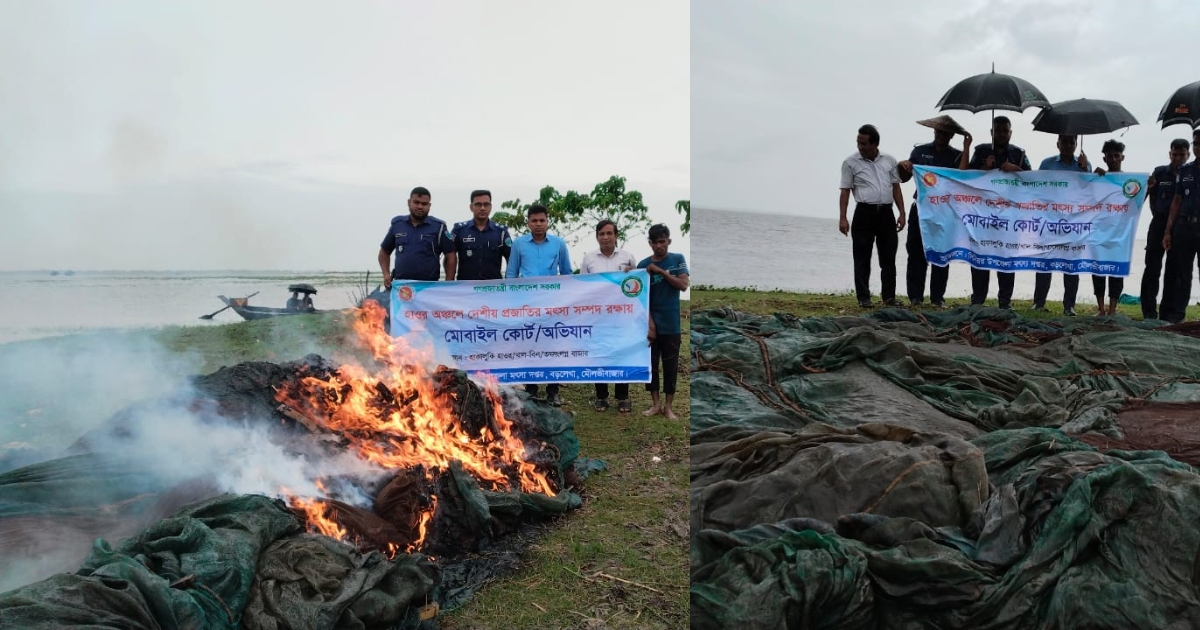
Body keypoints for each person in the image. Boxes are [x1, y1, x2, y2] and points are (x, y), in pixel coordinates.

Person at [897, 115, 971, 308]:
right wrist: (903, 165)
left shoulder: (956, 155)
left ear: (952, 136)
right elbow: (904, 177)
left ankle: (937, 298)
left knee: (942, 253)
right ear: (934, 131)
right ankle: (915, 297)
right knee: (915, 253)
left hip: (945, 211)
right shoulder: (920, 151)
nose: (942, 135)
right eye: (940, 131)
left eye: (946, 133)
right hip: (920, 208)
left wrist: (967, 148)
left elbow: (962, 178)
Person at [507, 204, 573, 406]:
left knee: (552, 346)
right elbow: (511, 274)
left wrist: (566, 300)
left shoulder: (559, 244)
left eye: (542, 220)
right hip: (526, 305)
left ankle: (553, 391)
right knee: (529, 346)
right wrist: (513, 303)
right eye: (534, 220)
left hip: (552, 305)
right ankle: (531, 389)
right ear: (528, 223)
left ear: (547, 222)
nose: (538, 224)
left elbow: (567, 273)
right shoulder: (518, 244)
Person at [966, 116, 1031, 309]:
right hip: (983, 215)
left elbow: (1032, 181)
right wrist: (985, 168)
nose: (1002, 134)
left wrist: (1016, 169)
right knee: (980, 256)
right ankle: (978, 298)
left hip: (1010, 217)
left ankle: (1005, 301)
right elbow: (967, 178)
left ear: (1010, 133)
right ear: (991, 132)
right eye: (998, 130)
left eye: (1005, 131)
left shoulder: (1019, 153)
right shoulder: (981, 151)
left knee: (1007, 257)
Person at [839, 124, 906, 308]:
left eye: (864, 143)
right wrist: (843, 217)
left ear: (875, 143)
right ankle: (863, 297)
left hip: (886, 212)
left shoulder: (889, 161)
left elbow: (896, 187)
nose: (860, 146)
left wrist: (902, 212)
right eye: (858, 142)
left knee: (888, 256)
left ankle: (889, 297)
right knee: (862, 256)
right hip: (863, 213)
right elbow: (845, 190)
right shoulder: (850, 162)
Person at [580, 219, 638, 413]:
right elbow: (582, 287)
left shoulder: (627, 257)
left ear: (616, 236)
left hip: (621, 316)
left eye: (609, 233)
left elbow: (636, 285)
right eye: (601, 234)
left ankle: (623, 397)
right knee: (600, 353)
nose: (605, 237)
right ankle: (601, 396)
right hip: (597, 316)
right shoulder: (589, 259)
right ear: (597, 237)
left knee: (622, 352)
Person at [1032, 134, 1092, 316]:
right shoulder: (1047, 164)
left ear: (1075, 144)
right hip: (1050, 221)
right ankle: (1039, 303)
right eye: (1064, 142)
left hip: (1073, 224)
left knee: (1072, 266)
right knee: (1044, 264)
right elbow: (1037, 188)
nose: (1068, 145)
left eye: (1071, 142)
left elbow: (1089, 191)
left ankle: (1069, 306)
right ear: (1058, 144)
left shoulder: (1083, 165)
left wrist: (1085, 170)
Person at [638, 224, 688, 420]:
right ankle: (655, 404)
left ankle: (669, 406)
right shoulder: (643, 265)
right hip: (651, 324)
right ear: (650, 244)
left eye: (662, 241)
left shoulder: (677, 260)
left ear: (669, 241)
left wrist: (662, 272)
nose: (659, 245)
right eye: (655, 242)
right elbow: (638, 295)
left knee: (671, 365)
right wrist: (650, 324)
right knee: (651, 365)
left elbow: (683, 285)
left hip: (672, 323)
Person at [1143, 139, 1190, 320]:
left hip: (1180, 227)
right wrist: (1148, 187)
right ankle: (1149, 312)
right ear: (1169, 154)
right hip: (1158, 224)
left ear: (1188, 155)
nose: (1178, 158)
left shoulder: (1190, 174)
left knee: (1174, 271)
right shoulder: (1160, 172)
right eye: (1174, 154)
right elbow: (1146, 196)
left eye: (1182, 154)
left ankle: (1167, 314)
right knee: (1152, 269)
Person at [378, 187, 457, 289]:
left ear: (429, 206)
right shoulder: (397, 225)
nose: (420, 206)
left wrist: (449, 282)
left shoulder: (439, 227)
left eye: (424, 204)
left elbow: (451, 256)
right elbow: (384, 252)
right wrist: (386, 274)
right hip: (402, 288)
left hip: (429, 287)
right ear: (409, 202)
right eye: (416, 202)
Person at [1089, 140, 1130, 315]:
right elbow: (1085, 199)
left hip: (1120, 234)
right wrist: (1093, 177)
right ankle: (1101, 308)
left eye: (1116, 156)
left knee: (1116, 271)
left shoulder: (1130, 182)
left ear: (1122, 157)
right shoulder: (1099, 178)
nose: (1113, 159)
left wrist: (1148, 189)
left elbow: (1135, 205)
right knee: (1097, 270)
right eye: (1109, 156)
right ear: (1104, 158)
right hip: (1098, 231)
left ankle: (1113, 309)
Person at [1163, 130, 1200, 323]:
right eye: (1195, 144)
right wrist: (1168, 231)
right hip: (1184, 226)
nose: (1197, 147)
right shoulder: (1185, 170)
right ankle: (1178, 314)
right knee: (1182, 273)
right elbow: (1176, 201)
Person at [452, 189, 512, 280]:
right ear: (471, 207)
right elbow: (449, 256)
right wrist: (450, 282)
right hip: (465, 288)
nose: (482, 208)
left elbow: (511, 258)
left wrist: (509, 282)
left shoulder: (501, 232)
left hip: (492, 288)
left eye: (486, 204)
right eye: (478, 204)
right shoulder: (459, 230)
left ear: (490, 207)